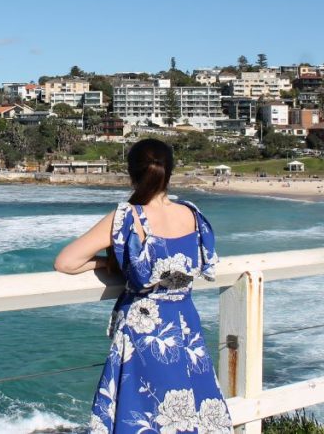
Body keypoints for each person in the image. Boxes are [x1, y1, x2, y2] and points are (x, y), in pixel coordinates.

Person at [54, 139, 233, 434]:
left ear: (132, 173)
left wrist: (109, 264)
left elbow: (66, 262)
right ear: (170, 171)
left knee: (141, 414)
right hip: (185, 324)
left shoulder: (128, 216)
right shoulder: (192, 214)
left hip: (144, 329)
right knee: (188, 410)